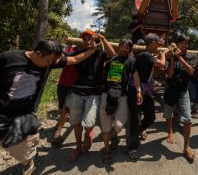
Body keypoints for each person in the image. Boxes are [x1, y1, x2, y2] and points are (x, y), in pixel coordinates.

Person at [0, 40, 98, 175]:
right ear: (38, 53)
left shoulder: (51, 61)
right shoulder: (9, 58)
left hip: (24, 121)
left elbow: (75, 59)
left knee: (27, 155)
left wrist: (91, 51)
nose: (52, 64)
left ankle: (29, 164)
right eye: (49, 60)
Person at [66, 30, 116, 162]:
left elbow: (113, 54)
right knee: (75, 122)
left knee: (89, 123)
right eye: (85, 39)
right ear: (82, 41)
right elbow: (68, 58)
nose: (88, 41)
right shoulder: (78, 53)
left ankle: (88, 135)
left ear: (95, 40)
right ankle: (77, 147)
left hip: (93, 92)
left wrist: (104, 39)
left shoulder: (101, 53)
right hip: (77, 91)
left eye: (91, 39)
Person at [127, 33, 167, 160]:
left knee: (151, 117)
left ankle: (140, 130)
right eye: (158, 43)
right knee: (136, 119)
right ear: (152, 43)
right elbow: (162, 64)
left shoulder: (148, 55)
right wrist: (164, 54)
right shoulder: (145, 54)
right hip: (136, 90)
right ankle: (132, 146)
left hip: (147, 91)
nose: (159, 46)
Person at [99, 38, 136, 164]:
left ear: (130, 50)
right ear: (119, 46)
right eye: (122, 46)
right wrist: (103, 39)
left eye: (127, 48)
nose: (124, 49)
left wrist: (139, 90)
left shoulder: (131, 61)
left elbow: (135, 75)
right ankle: (107, 150)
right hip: (106, 94)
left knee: (119, 125)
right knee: (105, 127)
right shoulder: (111, 60)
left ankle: (113, 135)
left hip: (122, 96)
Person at [163, 34, 197, 162]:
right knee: (169, 113)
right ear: (177, 44)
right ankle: (170, 131)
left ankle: (186, 147)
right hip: (170, 88)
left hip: (183, 90)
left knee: (188, 118)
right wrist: (172, 58)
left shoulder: (192, 56)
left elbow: (191, 71)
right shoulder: (170, 56)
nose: (185, 45)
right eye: (182, 43)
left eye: (187, 43)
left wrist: (179, 58)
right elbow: (170, 75)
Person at [52, 42, 78, 145]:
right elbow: (60, 57)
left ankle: (58, 132)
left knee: (66, 107)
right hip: (63, 82)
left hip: (74, 85)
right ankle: (61, 121)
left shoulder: (85, 54)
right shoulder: (69, 50)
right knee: (61, 104)